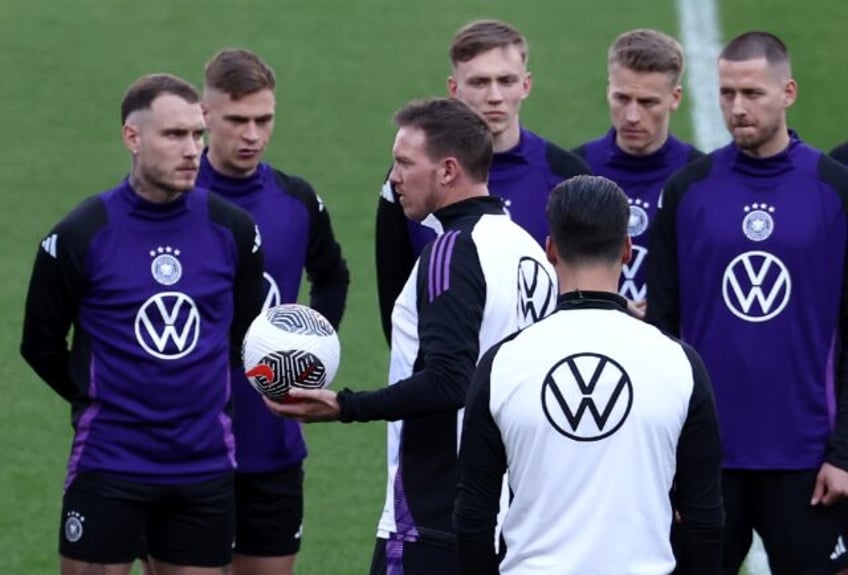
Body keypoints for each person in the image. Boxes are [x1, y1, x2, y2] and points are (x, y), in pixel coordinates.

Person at [265, 97, 558, 574]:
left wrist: (344, 406)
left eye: (403, 163)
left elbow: (449, 381)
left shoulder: (452, 252)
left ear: (446, 170)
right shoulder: (528, 252)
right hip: (515, 511)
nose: (393, 178)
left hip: (436, 512)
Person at [19, 73, 264, 575]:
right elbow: (39, 343)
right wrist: (99, 398)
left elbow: (245, 336)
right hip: (110, 461)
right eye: (174, 135)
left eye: (197, 134)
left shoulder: (232, 229)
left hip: (204, 465)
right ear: (133, 137)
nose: (192, 149)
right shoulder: (83, 232)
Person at [647, 31, 848, 574]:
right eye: (727, 93)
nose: (737, 108)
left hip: (808, 463)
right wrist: (666, 457)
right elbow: (661, 331)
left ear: (788, 92)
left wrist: (843, 453)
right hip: (708, 460)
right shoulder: (688, 192)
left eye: (753, 93)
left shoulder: (836, 191)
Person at [454, 175, 724, 574]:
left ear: (551, 250)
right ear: (628, 249)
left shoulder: (502, 365)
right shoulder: (679, 365)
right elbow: (705, 520)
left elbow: (473, 517)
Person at [196, 47, 350, 575]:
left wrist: (314, 346)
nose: (253, 135)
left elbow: (332, 273)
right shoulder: (176, 197)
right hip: (186, 443)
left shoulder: (295, 199)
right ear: (204, 114)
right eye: (237, 120)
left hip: (272, 440)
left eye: (264, 119)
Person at [375, 19, 589, 342]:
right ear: (453, 89)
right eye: (478, 82)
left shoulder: (569, 176)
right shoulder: (413, 179)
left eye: (506, 81)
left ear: (526, 85)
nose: (494, 96)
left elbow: (584, 290)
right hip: (444, 377)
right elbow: (396, 304)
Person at [572, 28, 702, 318]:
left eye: (647, 103)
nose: (632, 116)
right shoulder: (572, 171)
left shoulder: (701, 178)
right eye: (622, 98)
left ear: (675, 98)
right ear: (608, 90)